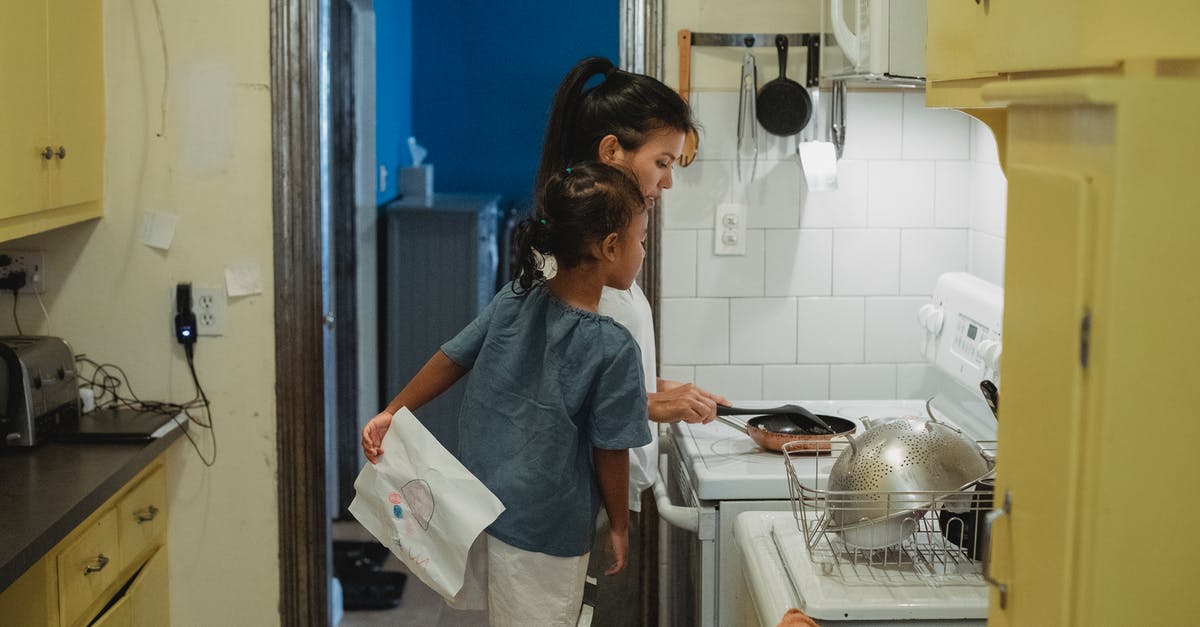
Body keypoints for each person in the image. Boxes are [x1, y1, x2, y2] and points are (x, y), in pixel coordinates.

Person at [361, 161, 653, 626]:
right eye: (640, 240)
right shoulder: (612, 346)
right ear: (610, 247)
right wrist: (619, 524)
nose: (642, 251)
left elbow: (451, 357)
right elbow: (610, 450)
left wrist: (392, 411)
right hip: (546, 533)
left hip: (474, 513)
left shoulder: (516, 298)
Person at [537, 56, 729, 515]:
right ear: (611, 152)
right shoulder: (569, 262)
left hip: (606, 493)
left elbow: (600, 365)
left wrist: (669, 390)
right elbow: (556, 388)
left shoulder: (613, 251)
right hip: (575, 494)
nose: (667, 181)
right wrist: (659, 406)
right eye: (661, 162)